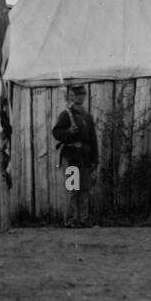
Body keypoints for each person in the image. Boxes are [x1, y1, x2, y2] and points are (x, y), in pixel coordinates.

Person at [52, 85, 98, 227]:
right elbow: (56, 133)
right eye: (77, 95)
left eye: (82, 94)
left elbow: (93, 139)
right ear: (71, 97)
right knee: (73, 189)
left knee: (84, 190)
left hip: (85, 158)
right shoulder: (66, 115)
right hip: (72, 157)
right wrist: (69, 132)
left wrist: (95, 160)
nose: (80, 97)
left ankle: (83, 219)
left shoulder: (87, 116)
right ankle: (71, 220)